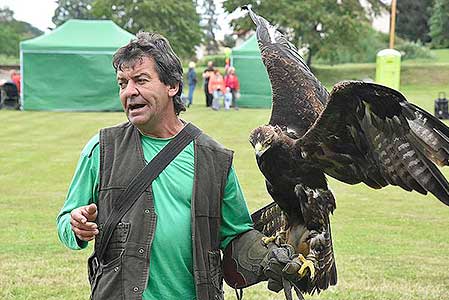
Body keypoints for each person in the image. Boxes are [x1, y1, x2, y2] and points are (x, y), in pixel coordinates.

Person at [57, 32, 305, 300]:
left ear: (172, 86)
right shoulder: (101, 149)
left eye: (140, 80)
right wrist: (75, 225)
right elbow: (66, 220)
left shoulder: (214, 158)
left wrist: (267, 256)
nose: (129, 91)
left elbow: (236, 234)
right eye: (122, 83)